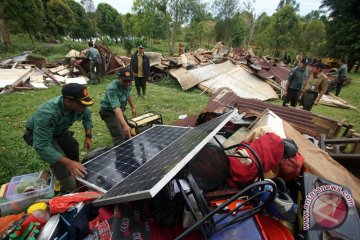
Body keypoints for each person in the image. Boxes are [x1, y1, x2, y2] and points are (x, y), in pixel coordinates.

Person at [23, 83, 95, 192]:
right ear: (68, 101)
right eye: (82, 104)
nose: (84, 107)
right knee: (59, 162)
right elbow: (42, 145)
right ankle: (70, 189)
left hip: (59, 131)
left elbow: (87, 116)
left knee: (72, 150)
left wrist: (88, 136)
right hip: (39, 135)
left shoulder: (80, 105)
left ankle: (75, 173)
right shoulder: (46, 114)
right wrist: (68, 163)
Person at [99, 67, 136, 146]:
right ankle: (120, 153)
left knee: (128, 129)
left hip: (120, 110)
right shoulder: (112, 88)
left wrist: (133, 107)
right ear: (118, 78)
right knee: (119, 133)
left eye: (129, 81)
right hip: (108, 112)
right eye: (125, 81)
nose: (127, 83)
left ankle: (127, 149)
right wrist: (124, 126)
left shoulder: (129, 84)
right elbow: (116, 107)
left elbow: (129, 95)